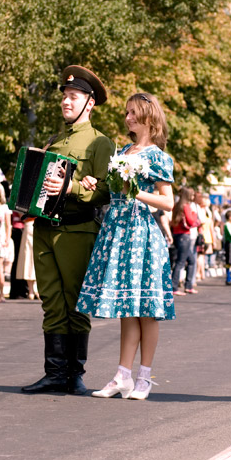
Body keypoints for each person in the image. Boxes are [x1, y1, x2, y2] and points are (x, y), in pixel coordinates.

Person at [21, 65, 115, 395]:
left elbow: (106, 191)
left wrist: (72, 186)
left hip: (78, 230)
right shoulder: (54, 140)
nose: (66, 101)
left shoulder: (100, 143)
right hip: (45, 230)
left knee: (76, 303)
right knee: (51, 303)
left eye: (73, 97)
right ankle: (54, 372)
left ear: (90, 103)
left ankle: (75, 373)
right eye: (64, 96)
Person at [76, 92, 174, 400]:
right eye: (127, 112)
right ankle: (123, 375)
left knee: (147, 309)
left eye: (133, 113)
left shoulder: (157, 156)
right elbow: (112, 190)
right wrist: (96, 184)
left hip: (141, 233)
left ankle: (144, 377)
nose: (128, 117)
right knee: (127, 308)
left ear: (149, 117)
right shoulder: (123, 150)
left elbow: (168, 202)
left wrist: (136, 193)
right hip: (117, 231)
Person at [170, 187, 199, 295]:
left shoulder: (177, 205)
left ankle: (188, 286)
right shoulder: (186, 206)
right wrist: (194, 215)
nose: (193, 197)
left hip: (177, 235)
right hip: (185, 236)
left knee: (191, 260)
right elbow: (191, 221)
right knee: (181, 262)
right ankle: (174, 287)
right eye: (192, 195)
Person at [16, 218, 39, 300]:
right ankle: (34, 290)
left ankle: (32, 291)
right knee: (31, 257)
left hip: (31, 225)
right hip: (34, 225)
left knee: (29, 258)